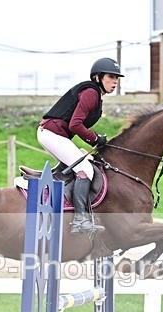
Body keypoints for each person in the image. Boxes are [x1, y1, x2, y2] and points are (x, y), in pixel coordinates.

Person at [37, 57, 123, 234]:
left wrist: (94, 139)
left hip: (54, 134)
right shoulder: (91, 93)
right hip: (52, 133)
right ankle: (80, 220)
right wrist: (95, 138)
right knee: (85, 169)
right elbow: (75, 125)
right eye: (110, 77)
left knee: (80, 166)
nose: (114, 82)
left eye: (116, 78)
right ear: (98, 77)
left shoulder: (95, 95)